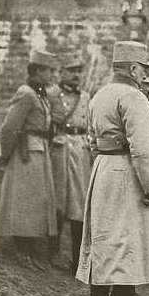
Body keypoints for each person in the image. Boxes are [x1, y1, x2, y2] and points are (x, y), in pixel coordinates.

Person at [75, 41, 149, 296]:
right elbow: (142, 149)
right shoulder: (133, 97)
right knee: (126, 241)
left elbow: (92, 141)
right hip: (128, 171)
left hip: (104, 168)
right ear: (133, 68)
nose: (145, 75)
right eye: (143, 69)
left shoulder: (100, 95)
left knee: (106, 238)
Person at [0, 50, 58, 271]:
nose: (51, 75)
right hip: (26, 154)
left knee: (36, 201)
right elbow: (9, 127)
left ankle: (30, 252)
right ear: (38, 71)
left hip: (39, 151)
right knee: (24, 201)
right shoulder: (26, 93)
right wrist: (6, 154)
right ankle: (22, 251)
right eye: (48, 70)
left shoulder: (39, 94)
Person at [48, 59, 91, 275]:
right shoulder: (52, 94)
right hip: (59, 146)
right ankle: (51, 254)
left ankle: (78, 260)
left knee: (79, 204)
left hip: (80, 149)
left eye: (79, 71)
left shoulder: (86, 97)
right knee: (57, 199)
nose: (76, 75)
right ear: (62, 72)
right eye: (71, 71)